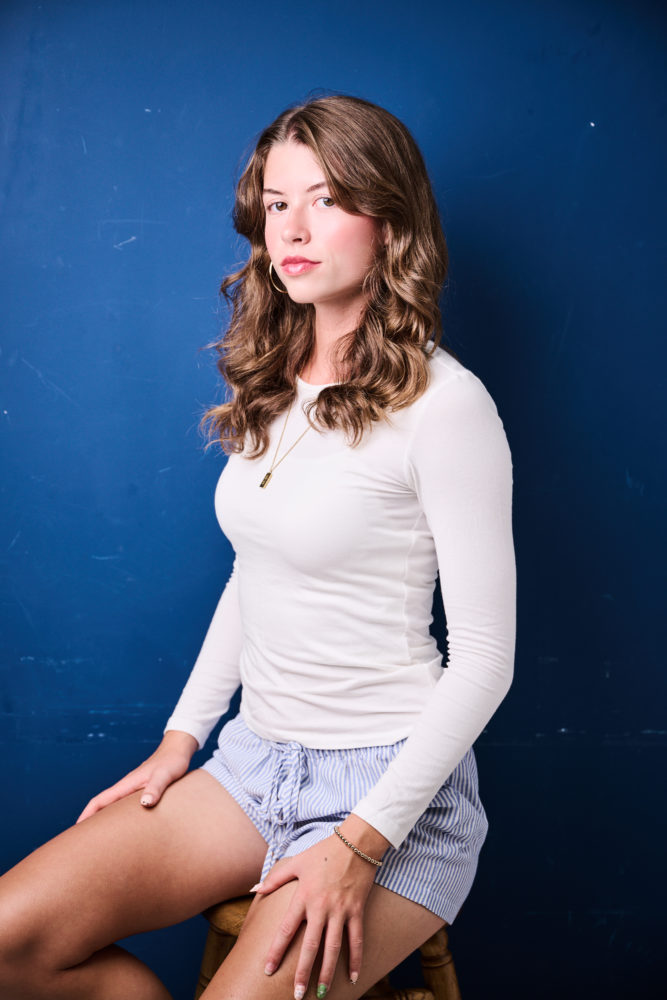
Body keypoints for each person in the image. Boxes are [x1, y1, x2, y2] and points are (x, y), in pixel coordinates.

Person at [0, 94, 516, 1000]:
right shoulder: (274, 383)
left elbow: (484, 661)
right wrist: (181, 739)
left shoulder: (447, 406)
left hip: (393, 794)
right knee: (11, 942)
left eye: (327, 199)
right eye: (278, 203)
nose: (293, 229)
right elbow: (257, 573)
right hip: (251, 767)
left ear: (389, 219)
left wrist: (358, 844)